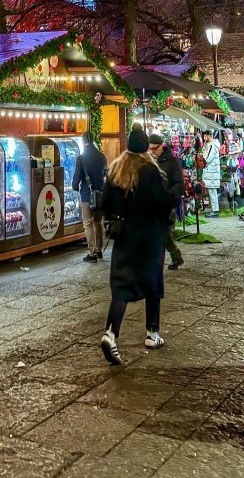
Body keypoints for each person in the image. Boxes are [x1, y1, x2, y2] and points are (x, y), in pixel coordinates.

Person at [100, 126, 175, 365]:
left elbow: (104, 204)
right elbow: (162, 202)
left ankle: (111, 333)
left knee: (121, 287)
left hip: (124, 239)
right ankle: (152, 333)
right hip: (149, 238)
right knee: (152, 284)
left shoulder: (116, 170)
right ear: (146, 150)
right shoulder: (151, 172)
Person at [148, 133, 185, 270]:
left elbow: (179, 184)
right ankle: (175, 257)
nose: (152, 151)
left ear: (161, 146)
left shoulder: (172, 161)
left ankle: (165, 260)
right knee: (160, 233)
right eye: (150, 149)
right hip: (153, 204)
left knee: (163, 233)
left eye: (154, 148)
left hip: (168, 204)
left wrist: (169, 197)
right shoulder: (149, 160)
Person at [72, 131, 107, 263]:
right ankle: (99, 250)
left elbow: (77, 179)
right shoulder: (101, 156)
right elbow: (105, 174)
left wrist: (74, 187)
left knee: (88, 223)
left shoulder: (81, 158)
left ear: (83, 141)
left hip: (87, 195)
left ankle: (92, 252)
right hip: (100, 195)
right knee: (98, 222)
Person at [201, 128, 221, 218]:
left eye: (205, 136)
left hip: (212, 172)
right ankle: (214, 209)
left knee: (212, 191)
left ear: (209, 136)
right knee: (211, 191)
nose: (204, 137)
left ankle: (215, 211)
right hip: (211, 172)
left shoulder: (212, 146)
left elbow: (208, 159)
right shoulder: (209, 145)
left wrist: (202, 155)